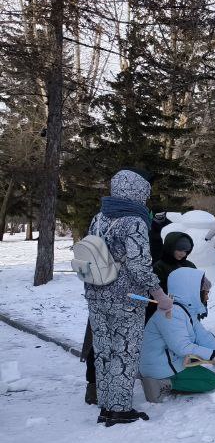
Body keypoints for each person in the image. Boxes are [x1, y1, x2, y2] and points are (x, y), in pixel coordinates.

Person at [84, 169, 174, 426]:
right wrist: (160, 295)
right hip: (126, 298)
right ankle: (120, 409)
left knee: (103, 351)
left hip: (96, 294)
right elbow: (139, 266)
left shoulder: (99, 217)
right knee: (124, 352)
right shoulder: (133, 221)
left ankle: (106, 406)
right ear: (140, 190)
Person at [140, 267, 215, 401]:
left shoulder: (184, 310)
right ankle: (159, 384)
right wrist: (213, 355)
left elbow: (202, 336)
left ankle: (167, 380)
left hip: (170, 361)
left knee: (200, 370)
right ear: (192, 291)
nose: (207, 296)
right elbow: (182, 347)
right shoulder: (170, 313)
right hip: (158, 366)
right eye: (205, 292)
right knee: (211, 381)